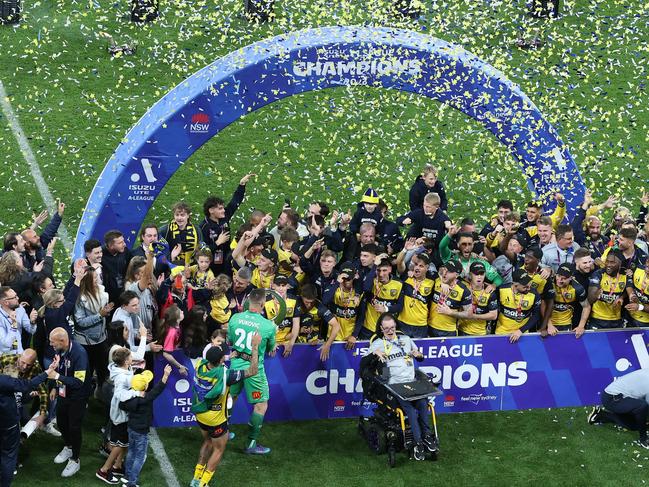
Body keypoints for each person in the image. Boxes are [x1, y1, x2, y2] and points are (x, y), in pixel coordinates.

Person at [190, 335, 260, 487]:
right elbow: (253, 370)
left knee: (207, 441)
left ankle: (195, 479)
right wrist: (255, 347)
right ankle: (203, 483)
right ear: (221, 360)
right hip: (216, 419)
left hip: (201, 414)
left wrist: (228, 356)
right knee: (218, 449)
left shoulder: (199, 366)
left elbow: (216, 362)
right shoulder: (226, 375)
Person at [367, 313, 433, 460]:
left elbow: (420, 357)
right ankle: (418, 442)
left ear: (396, 327)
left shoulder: (406, 339)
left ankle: (427, 436)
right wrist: (374, 353)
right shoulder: (378, 343)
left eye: (392, 327)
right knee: (409, 408)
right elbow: (365, 360)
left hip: (412, 382)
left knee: (423, 403)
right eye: (386, 329)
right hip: (395, 385)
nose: (390, 331)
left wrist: (418, 354)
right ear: (381, 329)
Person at [227, 289, 276, 455]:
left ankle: (223, 432)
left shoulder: (235, 318)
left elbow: (231, 340)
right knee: (260, 404)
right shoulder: (268, 326)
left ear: (248, 301)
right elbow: (270, 349)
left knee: (229, 398)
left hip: (234, 366)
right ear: (263, 304)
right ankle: (251, 444)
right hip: (254, 370)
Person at [0, 355, 58, 487]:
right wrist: (48, 372)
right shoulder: (6, 382)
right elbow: (29, 384)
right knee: (8, 456)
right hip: (9, 426)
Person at [119, 365, 172, 487]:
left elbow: (122, 405)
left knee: (131, 451)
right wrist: (166, 375)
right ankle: (132, 482)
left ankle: (127, 476)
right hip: (141, 431)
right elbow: (158, 389)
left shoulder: (129, 397)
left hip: (131, 428)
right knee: (140, 456)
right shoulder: (146, 398)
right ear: (145, 386)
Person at [49, 327, 92, 477]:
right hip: (63, 393)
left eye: (53, 342)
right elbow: (59, 369)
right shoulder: (60, 349)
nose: (51, 345)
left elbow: (79, 382)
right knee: (61, 422)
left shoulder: (79, 353)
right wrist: (55, 387)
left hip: (77, 396)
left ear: (63, 341)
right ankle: (68, 446)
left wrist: (57, 378)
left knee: (74, 427)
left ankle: (75, 459)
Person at [589, 368, 649, 449]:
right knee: (642, 406)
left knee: (634, 426)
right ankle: (643, 439)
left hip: (624, 399)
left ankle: (601, 415)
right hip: (612, 399)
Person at [544, 263, 591, 338]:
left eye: (564, 278)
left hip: (566, 325)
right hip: (547, 324)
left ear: (571, 278)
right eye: (558, 276)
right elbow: (543, 306)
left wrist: (581, 326)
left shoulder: (577, 288)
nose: (560, 280)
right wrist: (549, 325)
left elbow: (586, 307)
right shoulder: (549, 284)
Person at [494, 269, 541, 342]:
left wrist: (521, 331)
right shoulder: (501, 290)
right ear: (515, 285)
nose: (529, 289)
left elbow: (536, 315)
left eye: (529, 285)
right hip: (501, 333)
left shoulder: (534, 294)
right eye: (525, 287)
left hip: (523, 334)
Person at [587, 249, 627, 329]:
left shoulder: (625, 276)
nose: (608, 264)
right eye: (607, 261)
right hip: (597, 319)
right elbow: (590, 299)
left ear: (620, 264)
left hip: (616, 320)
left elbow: (628, 289)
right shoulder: (599, 274)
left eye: (612, 262)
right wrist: (595, 294)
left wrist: (622, 297)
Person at [458, 262, 499, 336]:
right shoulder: (463, 286)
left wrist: (473, 316)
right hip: (461, 330)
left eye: (482, 274)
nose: (479, 277)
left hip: (480, 333)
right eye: (476, 274)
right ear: (470, 274)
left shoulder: (490, 291)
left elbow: (494, 315)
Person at [0, 287, 37, 355]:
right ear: (6, 302)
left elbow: (32, 331)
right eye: (14, 297)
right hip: (6, 357)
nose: (18, 298)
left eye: (16, 295)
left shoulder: (20, 309)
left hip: (19, 353)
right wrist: (14, 325)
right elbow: (7, 343)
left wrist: (32, 322)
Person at [625, 253, 649, 328]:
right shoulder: (638, 269)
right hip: (628, 315)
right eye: (647, 266)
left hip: (645, 322)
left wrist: (639, 307)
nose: (647, 270)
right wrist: (631, 294)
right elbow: (629, 282)